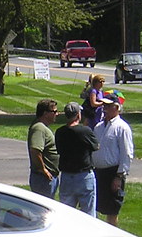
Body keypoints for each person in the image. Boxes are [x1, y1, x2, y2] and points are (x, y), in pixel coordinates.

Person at [91, 91, 134, 226]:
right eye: (104, 106)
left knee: (112, 209)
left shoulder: (122, 127)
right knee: (95, 206)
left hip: (113, 173)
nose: (105, 109)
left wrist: (119, 176)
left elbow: (126, 153)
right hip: (98, 172)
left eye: (108, 106)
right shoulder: (98, 127)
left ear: (116, 107)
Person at [55, 101, 99, 216]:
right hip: (83, 175)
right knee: (88, 214)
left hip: (66, 176)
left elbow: (59, 150)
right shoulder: (85, 131)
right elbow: (96, 146)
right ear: (78, 115)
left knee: (66, 214)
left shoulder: (60, 132)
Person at [27, 98, 60, 199]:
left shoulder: (43, 127)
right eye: (54, 111)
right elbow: (35, 150)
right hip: (43, 179)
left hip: (47, 177)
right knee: (42, 207)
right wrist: (43, 169)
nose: (57, 114)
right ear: (45, 113)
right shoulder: (39, 128)